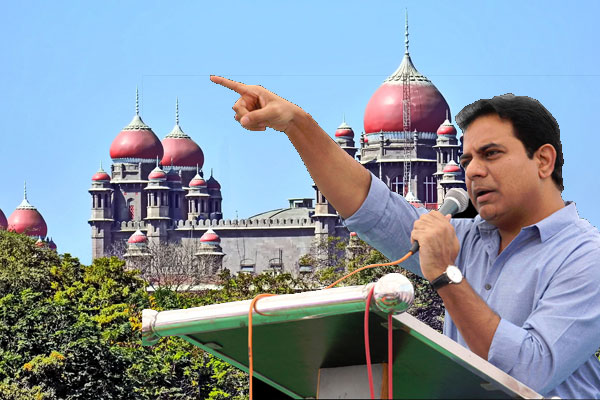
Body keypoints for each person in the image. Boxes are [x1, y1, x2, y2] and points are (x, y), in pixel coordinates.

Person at [210, 76, 600, 398]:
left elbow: (529, 372)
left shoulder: (586, 257)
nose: (474, 171)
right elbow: (373, 209)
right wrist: (297, 124)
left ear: (543, 160)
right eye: (466, 160)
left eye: (492, 154)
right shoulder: (465, 239)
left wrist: (445, 274)